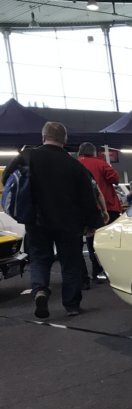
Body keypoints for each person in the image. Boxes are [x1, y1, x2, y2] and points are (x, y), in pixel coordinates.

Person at [1, 122, 103, 318]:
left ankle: (40, 290)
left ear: (43, 137)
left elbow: (7, 178)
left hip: (36, 219)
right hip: (69, 222)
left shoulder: (27, 156)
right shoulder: (74, 164)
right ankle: (72, 305)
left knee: (39, 258)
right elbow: (87, 197)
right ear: (65, 139)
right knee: (70, 262)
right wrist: (92, 223)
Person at [77, 142, 119, 282]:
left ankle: (92, 273)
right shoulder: (101, 163)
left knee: (89, 243)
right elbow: (115, 178)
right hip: (107, 206)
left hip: (83, 209)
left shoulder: (75, 164)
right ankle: (109, 270)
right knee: (108, 241)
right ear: (94, 152)